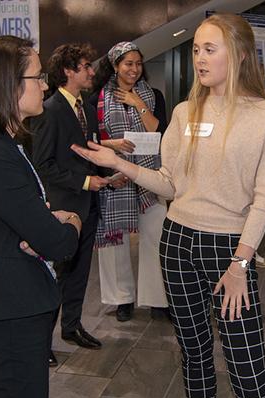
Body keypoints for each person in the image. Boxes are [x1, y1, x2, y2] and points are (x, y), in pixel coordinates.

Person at [73, 13, 265, 398]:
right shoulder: (184, 113)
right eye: (195, 50)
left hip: (229, 248)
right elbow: (169, 182)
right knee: (193, 354)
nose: (200, 59)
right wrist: (120, 164)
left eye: (210, 49)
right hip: (176, 241)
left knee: (245, 361)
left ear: (239, 55)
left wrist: (241, 265)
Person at [0, 36, 81, 398]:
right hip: (5, 306)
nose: (45, 85)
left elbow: (30, 219)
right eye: (37, 77)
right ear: (7, 85)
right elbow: (56, 242)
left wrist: (45, 221)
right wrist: (71, 220)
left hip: (13, 299)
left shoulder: (5, 143)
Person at [31, 44, 119, 365]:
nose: (92, 71)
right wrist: (85, 182)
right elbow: (43, 165)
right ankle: (41, 342)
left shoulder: (85, 105)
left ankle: (72, 326)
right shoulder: (50, 110)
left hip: (89, 205)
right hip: (65, 208)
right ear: (68, 71)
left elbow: (87, 151)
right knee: (57, 275)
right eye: (85, 66)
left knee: (80, 271)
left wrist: (109, 175)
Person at [90, 41, 168, 322]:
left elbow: (161, 131)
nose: (134, 69)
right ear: (115, 66)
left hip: (149, 178)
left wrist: (138, 103)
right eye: (128, 64)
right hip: (114, 177)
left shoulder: (153, 95)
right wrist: (114, 145)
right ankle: (121, 300)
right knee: (114, 240)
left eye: (138, 63)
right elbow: (90, 139)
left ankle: (158, 299)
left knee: (157, 236)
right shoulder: (97, 98)